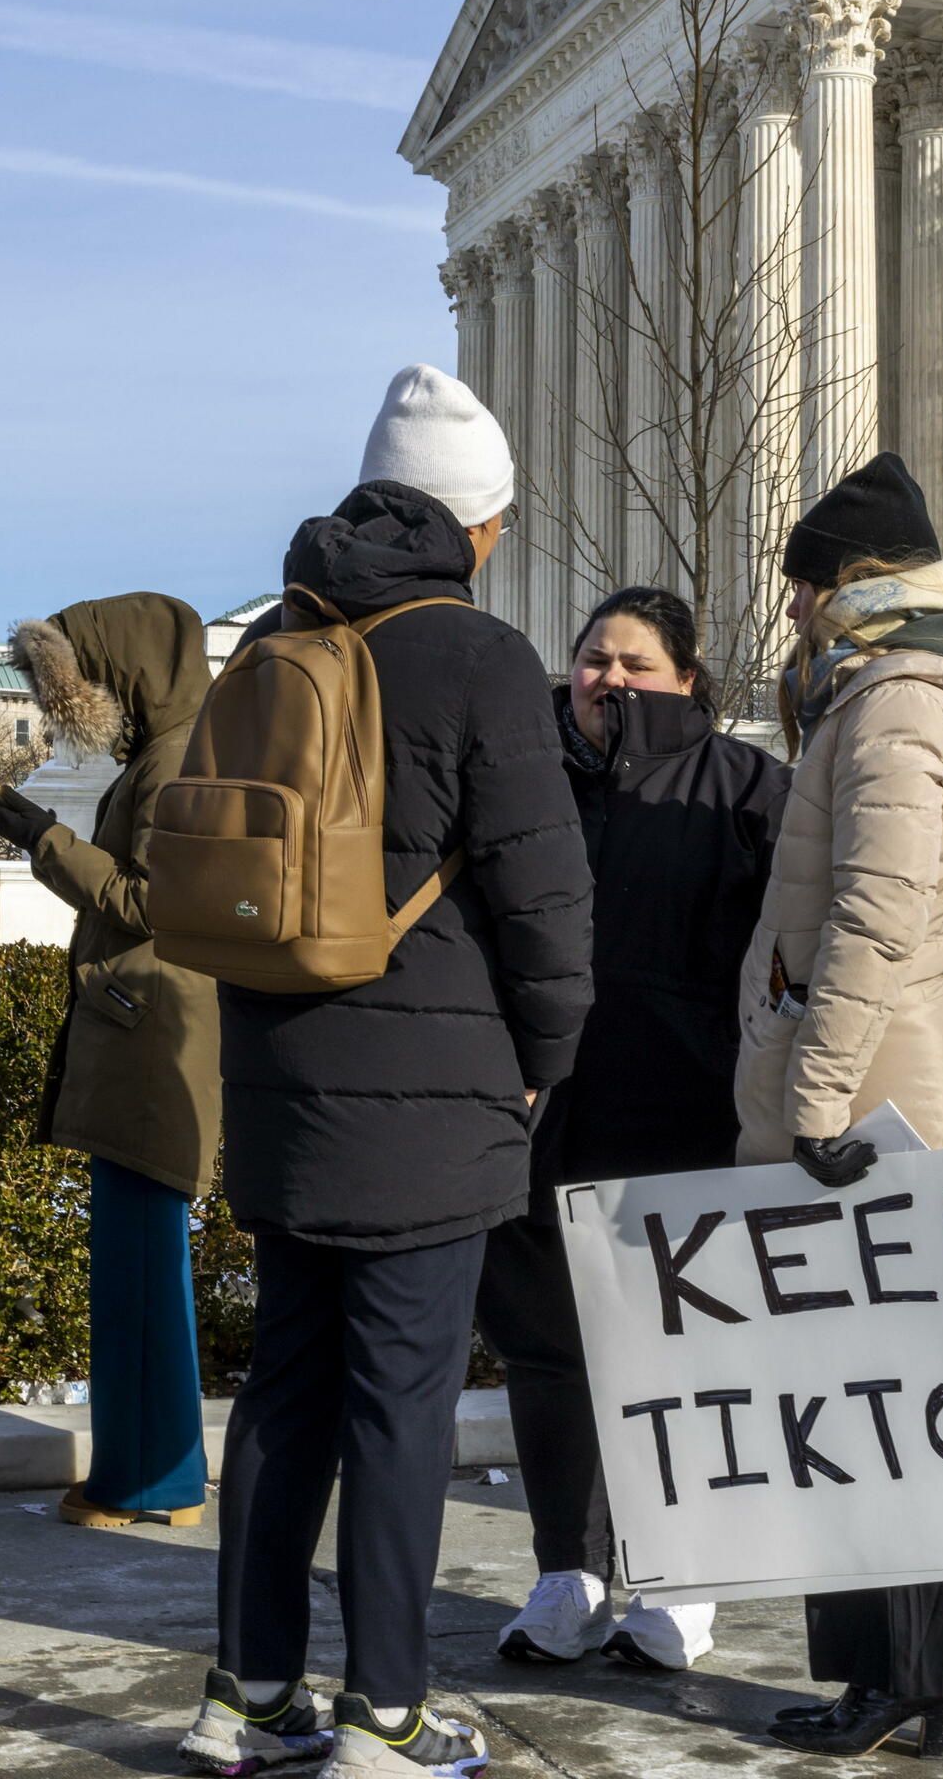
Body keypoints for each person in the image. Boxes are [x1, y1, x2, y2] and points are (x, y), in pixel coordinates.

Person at [179, 364, 592, 1779]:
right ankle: (388, 1712)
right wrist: (544, 1062)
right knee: (399, 1409)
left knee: (286, 1394)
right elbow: (544, 895)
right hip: (435, 1091)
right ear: (476, 526)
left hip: (280, 1070)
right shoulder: (478, 656)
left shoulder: (275, 638)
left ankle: (248, 1693)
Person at [734, 451, 943, 1762]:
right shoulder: (911, 694)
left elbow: (877, 915)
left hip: (876, 1087)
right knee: (881, 1400)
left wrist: (814, 1099)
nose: (796, 613)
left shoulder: (898, 704)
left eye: (805, 587)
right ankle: (903, 1679)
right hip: (903, 1065)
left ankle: (902, 1679)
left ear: (853, 584)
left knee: (876, 1402)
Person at [481, 586, 786, 1675]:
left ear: (688, 680)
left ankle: (683, 1580)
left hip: (684, 1122)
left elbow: (790, 954)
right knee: (547, 1354)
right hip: (543, 1123)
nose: (610, 677)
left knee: (684, 1362)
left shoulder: (748, 790)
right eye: (593, 657)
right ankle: (568, 1568)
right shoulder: (527, 784)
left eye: (636, 662)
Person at [0, 595, 220, 1530]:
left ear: (124, 671)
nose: (71, 700)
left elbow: (156, 899)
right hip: (150, 1022)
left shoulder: (172, 760)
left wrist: (44, 839)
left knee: (140, 1269)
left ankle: (149, 1483)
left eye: (79, 680)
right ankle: (153, 1476)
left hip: (149, 1025)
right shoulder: (176, 748)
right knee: (141, 1266)